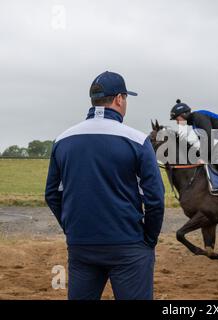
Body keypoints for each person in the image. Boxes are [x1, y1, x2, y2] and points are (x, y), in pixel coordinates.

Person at [45, 71, 165, 300]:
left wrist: (73, 229)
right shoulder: (138, 140)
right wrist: (148, 239)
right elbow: (155, 199)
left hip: (81, 246)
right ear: (119, 99)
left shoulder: (62, 140)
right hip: (128, 245)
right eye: (126, 98)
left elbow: (52, 194)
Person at [170, 99, 218, 193]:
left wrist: (203, 157)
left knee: (215, 156)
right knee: (211, 156)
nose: (177, 122)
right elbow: (204, 144)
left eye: (177, 119)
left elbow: (208, 138)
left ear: (184, 114)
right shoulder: (194, 124)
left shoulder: (198, 117)